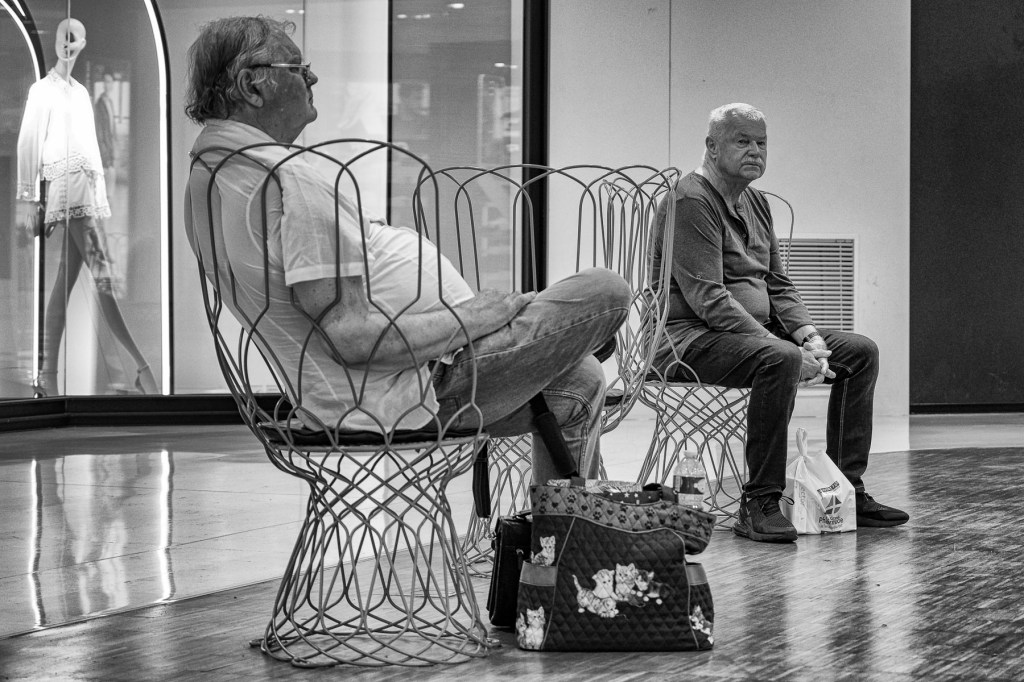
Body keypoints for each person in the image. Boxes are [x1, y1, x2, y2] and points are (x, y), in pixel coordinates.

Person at [182, 16, 630, 484]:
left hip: (359, 389)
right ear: (251, 85)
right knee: (607, 291)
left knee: (581, 379)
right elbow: (352, 337)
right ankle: (564, 342)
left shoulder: (214, 175)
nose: (312, 78)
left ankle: (562, 524)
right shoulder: (287, 177)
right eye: (297, 68)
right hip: (406, 388)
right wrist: (476, 316)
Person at [650, 103, 909, 543]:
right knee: (781, 358)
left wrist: (810, 337)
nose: (755, 151)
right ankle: (759, 501)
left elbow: (778, 283)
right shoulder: (690, 201)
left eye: (762, 142)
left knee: (860, 352)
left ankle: (846, 489)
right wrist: (786, 348)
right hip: (685, 340)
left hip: (750, 337)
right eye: (742, 141)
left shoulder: (755, 201)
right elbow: (709, 300)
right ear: (712, 146)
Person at [16, 18, 157, 397]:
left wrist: (100, 198)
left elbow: (91, 149)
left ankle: (47, 375)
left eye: (73, 38)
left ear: (81, 43)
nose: (66, 44)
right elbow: (28, 144)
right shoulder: (41, 91)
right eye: (62, 37)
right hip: (66, 189)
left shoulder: (79, 93)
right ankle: (139, 366)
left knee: (67, 284)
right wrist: (28, 198)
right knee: (104, 275)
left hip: (84, 189)